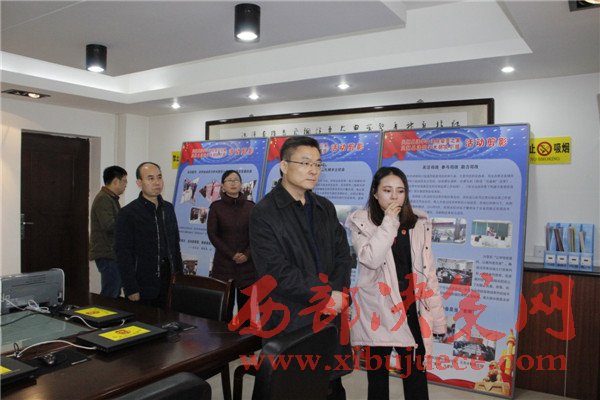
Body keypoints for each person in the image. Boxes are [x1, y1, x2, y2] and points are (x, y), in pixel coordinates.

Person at [249, 136, 353, 400]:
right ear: (284, 166)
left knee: (331, 387)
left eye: (318, 164)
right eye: (305, 163)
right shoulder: (264, 212)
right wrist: (326, 295)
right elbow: (275, 271)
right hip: (291, 317)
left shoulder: (324, 207)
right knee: (294, 389)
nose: (313, 170)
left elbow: (343, 255)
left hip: (329, 316)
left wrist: (337, 294)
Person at [345, 166, 446, 400]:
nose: (394, 197)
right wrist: (389, 221)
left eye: (400, 191)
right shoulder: (361, 222)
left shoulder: (417, 223)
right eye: (387, 190)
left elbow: (428, 273)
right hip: (378, 310)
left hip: (411, 309)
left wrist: (439, 320)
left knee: (415, 374)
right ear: (375, 193)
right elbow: (371, 259)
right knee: (377, 378)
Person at [115, 162, 183, 308]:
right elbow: (123, 253)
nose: (157, 182)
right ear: (139, 183)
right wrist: (130, 287)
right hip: (142, 283)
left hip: (169, 280)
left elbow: (175, 246)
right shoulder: (128, 213)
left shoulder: (168, 208)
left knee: (170, 320)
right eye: (150, 178)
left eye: (159, 177)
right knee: (144, 321)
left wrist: (180, 278)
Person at [207, 170, 256, 318]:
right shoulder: (216, 207)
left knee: (246, 313)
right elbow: (213, 235)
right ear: (223, 186)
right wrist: (232, 254)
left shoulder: (251, 206)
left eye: (236, 180)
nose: (233, 183)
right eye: (229, 180)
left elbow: (257, 235)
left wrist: (246, 254)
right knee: (224, 311)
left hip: (247, 267)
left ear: (241, 184)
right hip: (224, 265)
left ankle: (245, 334)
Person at [89, 165, 128, 298]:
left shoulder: (111, 198)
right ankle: (103, 311)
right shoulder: (103, 199)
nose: (126, 184)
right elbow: (109, 225)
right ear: (115, 181)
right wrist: (129, 222)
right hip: (107, 254)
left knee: (114, 290)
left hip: (112, 253)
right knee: (110, 292)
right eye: (124, 181)